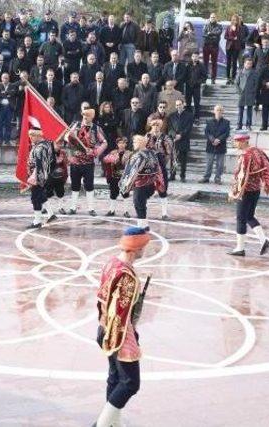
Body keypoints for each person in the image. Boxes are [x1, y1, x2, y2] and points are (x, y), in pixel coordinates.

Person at [93, 226, 151, 426]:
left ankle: (113, 423)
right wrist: (128, 338)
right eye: (144, 245)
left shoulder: (111, 263)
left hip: (103, 327)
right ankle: (102, 424)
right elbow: (121, 315)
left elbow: (101, 298)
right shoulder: (127, 275)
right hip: (118, 333)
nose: (145, 249)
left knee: (115, 378)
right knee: (130, 383)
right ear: (136, 248)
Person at [227, 132, 269, 256]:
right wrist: (267, 183)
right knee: (249, 217)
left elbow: (241, 177)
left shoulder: (246, 156)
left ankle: (240, 248)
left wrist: (234, 193)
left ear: (243, 141)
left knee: (241, 218)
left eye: (237, 141)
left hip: (246, 191)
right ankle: (264, 241)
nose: (235, 143)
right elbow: (267, 167)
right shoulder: (258, 152)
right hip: (255, 190)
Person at [64, 108, 107, 216]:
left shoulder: (96, 129)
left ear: (92, 116)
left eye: (87, 115)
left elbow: (104, 143)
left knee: (89, 185)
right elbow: (65, 137)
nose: (85, 117)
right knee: (75, 185)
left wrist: (95, 151)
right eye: (84, 115)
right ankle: (73, 207)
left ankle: (91, 208)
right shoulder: (76, 125)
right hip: (75, 160)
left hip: (88, 161)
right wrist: (70, 135)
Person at [25, 126, 56, 229]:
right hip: (44, 175)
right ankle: (51, 214)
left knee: (35, 198)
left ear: (38, 135)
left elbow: (39, 166)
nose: (31, 137)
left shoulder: (39, 148)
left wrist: (35, 180)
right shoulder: (47, 144)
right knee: (41, 196)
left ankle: (37, 221)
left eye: (32, 135)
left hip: (38, 177)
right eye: (30, 135)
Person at [146, 118, 173, 220]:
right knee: (146, 189)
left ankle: (164, 213)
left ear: (160, 126)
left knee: (163, 188)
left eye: (157, 125)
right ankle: (143, 211)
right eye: (154, 125)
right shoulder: (147, 136)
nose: (155, 127)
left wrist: (161, 161)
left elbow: (169, 152)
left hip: (160, 166)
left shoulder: (165, 137)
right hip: (148, 166)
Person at [200, 105, 230, 185]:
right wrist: (213, 139)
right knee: (209, 163)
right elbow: (207, 132)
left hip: (221, 145)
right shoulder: (209, 121)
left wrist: (219, 139)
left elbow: (226, 133)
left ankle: (217, 178)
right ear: (214, 111)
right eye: (217, 110)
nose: (219, 112)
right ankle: (206, 177)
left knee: (220, 164)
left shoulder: (226, 122)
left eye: (220, 110)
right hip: (211, 145)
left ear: (222, 112)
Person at [103, 137, 132, 217]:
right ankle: (112, 210)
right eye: (120, 143)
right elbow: (105, 160)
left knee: (125, 194)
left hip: (125, 177)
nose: (121, 145)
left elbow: (133, 164)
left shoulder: (130, 153)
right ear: (117, 144)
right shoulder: (113, 152)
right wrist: (112, 159)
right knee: (113, 194)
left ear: (126, 144)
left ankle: (126, 211)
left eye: (123, 143)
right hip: (114, 176)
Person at [167, 99, 194, 182]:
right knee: (173, 159)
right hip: (174, 140)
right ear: (175, 106)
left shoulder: (189, 115)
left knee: (183, 160)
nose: (178, 106)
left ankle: (182, 176)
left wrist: (181, 135)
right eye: (177, 105)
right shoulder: (171, 115)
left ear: (183, 105)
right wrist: (175, 135)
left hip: (184, 139)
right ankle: (172, 175)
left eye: (180, 104)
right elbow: (170, 128)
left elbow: (189, 128)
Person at [46, 138, 68, 214]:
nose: (59, 145)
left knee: (61, 192)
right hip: (49, 175)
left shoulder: (63, 152)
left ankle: (60, 207)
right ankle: (46, 207)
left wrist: (65, 176)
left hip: (60, 176)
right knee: (47, 192)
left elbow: (65, 165)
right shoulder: (48, 152)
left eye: (61, 143)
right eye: (57, 143)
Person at [235, 57, 258, 131]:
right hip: (242, 94)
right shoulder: (240, 72)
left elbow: (256, 84)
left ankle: (248, 125)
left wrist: (253, 91)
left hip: (250, 94)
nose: (249, 65)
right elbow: (236, 83)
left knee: (249, 110)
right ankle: (239, 125)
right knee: (240, 110)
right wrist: (239, 92)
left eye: (250, 64)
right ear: (244, 64)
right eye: (247, 63)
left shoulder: (254, 73)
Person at [0, 72, 17, 146]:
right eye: (4, 78)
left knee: (8, 124)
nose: (5, 79)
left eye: (7, 78)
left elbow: (13, 93)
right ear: (1, 78)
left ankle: (7, 140)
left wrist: (4, 93)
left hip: (9, 107)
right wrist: (8, 94)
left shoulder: (12, 85)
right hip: (0, 107)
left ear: (9, 78)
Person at [185, 52, 207, 121]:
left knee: (197, 103)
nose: (195, 58)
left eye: (196, 56)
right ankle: (188, 116)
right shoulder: (187, 65)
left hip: (197, 87)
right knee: (188, 102)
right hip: (188, 86)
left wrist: (198, 82)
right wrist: (187, 81)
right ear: (191, 57)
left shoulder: (201, 65)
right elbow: (184, 74)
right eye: (193, 56)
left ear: (198, 57)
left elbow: (204, 76)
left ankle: (197, 117)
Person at [202, 13, 222, 84]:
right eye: (211, 17)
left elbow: (218, 33)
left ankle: (213, 79)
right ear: (209, 18)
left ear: (216, 18)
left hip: (214, 46)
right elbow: (204, 35)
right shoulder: (206, 25)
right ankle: (204, 78)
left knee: (214, 63)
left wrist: (210, 33)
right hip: (206, 46)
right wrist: (213, 35)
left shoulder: (219, 26)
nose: (212, 18)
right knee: (205, 63)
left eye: (214, 17)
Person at [223, 15, 241, 84]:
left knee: (234, 63)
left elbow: (239, 37)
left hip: (236, 48)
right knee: (228, 63)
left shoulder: (240, 28)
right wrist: (232, 38)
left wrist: (235, 31)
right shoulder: (228, 27)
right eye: (233, 20)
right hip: (229, 47)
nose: (235, 21)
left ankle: (233, 78)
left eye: (236, 20)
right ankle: (228, 78)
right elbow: (225, 36)